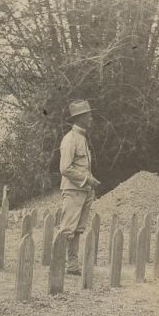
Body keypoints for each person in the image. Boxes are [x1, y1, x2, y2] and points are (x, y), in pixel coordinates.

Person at [59, 99, 100, 275]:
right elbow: (65, 168)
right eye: (88, 115)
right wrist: (87, 179)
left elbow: (81, 166)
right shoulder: (70, 139)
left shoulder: (81, 138)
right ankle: (58, 266)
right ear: (80, 117)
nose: (91, 118)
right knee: (67, 229)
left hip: (84, 190)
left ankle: (72, 265)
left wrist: (90, 181)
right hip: (73, 190)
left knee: (77, 229)